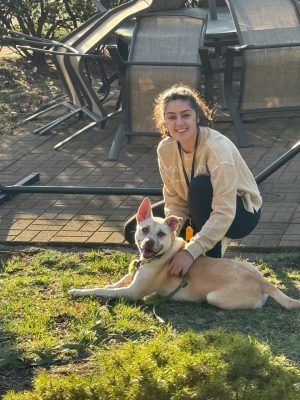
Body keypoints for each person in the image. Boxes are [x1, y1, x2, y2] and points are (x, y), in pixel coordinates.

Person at [124, 84, 262, 277]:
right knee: (133, 229)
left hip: (239, 214)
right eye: (171, 117)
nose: (179, 123)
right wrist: (171, 231)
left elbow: (225, 210)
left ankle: (211, 256)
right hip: (194, 205)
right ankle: (194, 242)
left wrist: (190, 251)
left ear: (197, 116)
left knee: (199, 187)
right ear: (164, 120)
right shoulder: (165, 148)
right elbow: (174, 199)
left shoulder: (216, 148)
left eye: (185, 115)